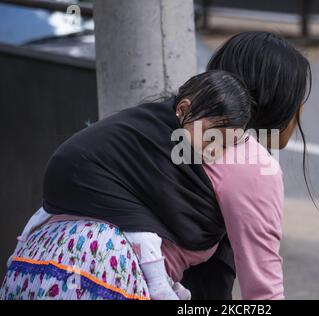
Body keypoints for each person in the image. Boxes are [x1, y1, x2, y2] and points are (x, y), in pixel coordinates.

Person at [0, 70, 254, 300]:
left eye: (223, 145)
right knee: (142, 228)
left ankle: (18, 251)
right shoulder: (154, 137)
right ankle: (159, 286)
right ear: (183, 109)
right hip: (81, 178)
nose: (213, 152)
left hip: (58, 206)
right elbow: (156, 220)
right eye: (210, 138)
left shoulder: (165, 134)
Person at [181, 31, 312, 300]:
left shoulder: (184, 127)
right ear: (276, 102)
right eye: (298, 98)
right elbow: (263, 295)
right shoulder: (251, 165)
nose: (301, 110)